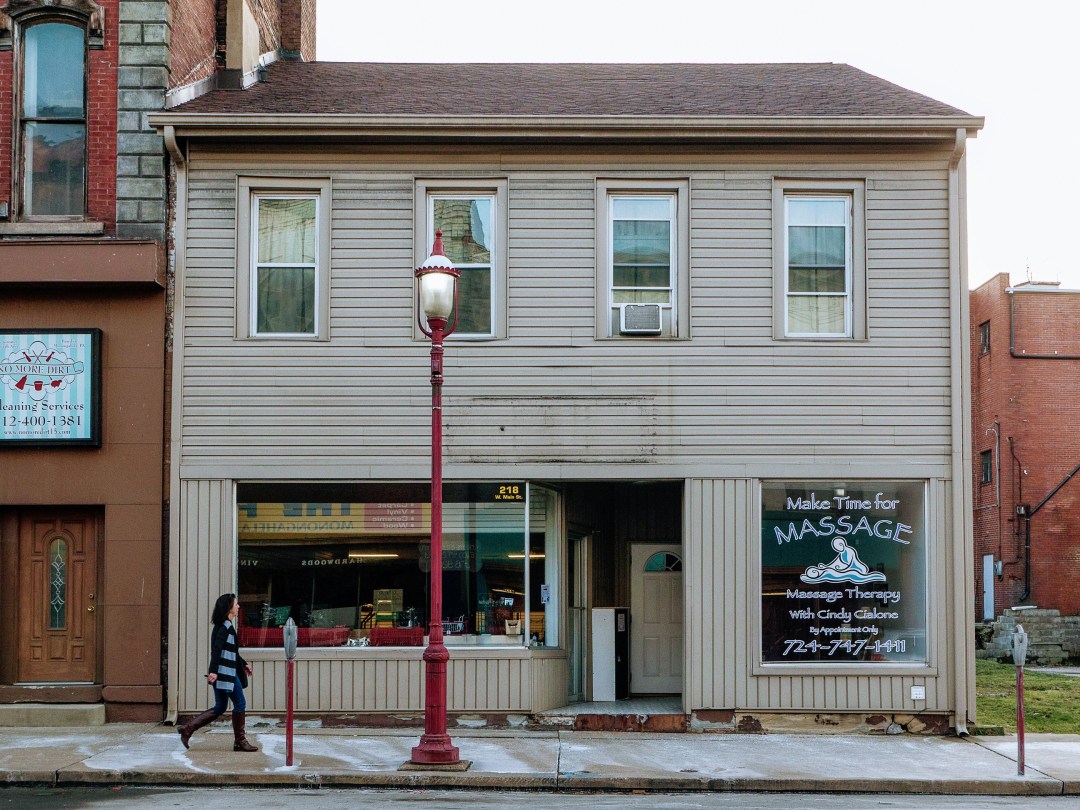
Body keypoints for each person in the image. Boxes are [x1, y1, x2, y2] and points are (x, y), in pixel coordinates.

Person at [176, 592, 258, 752]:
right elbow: (217, 650)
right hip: (226, 674)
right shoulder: (224, 628)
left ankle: (188, 729)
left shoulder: (225, 626)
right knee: (240, 703)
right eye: (236, 604)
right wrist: (213, 671)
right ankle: (240, 741)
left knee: (220, 706)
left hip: (226, 672)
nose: (239, 606)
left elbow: (232, 651)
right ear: (229, 608)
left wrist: (244, 664)